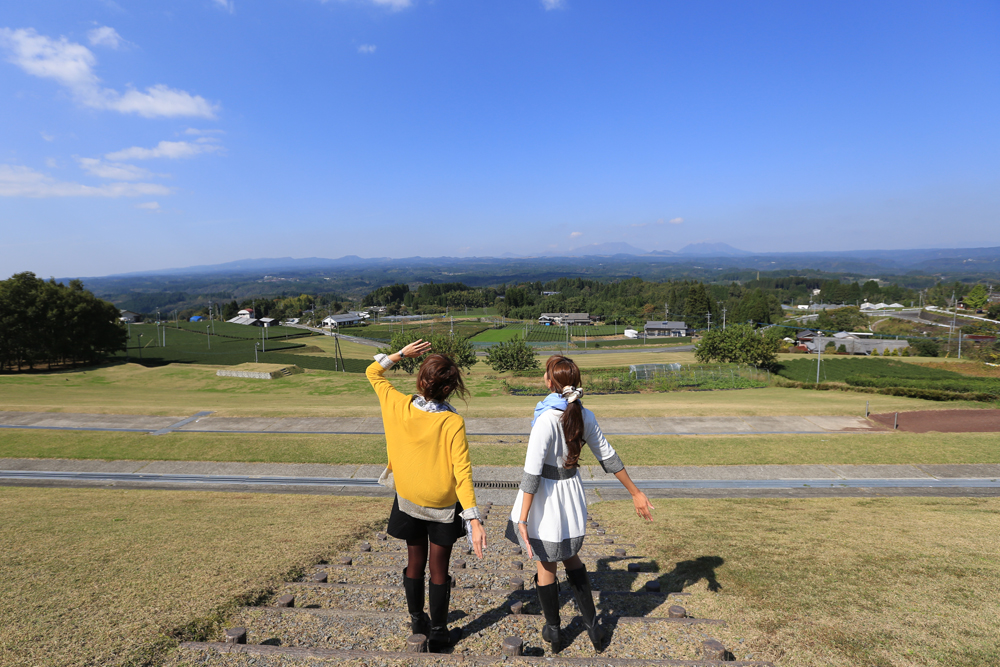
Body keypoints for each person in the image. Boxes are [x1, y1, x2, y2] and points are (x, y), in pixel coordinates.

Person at [506, 354, 654, 653]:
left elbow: (532, 474)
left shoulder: (546, 418)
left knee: (546, 564)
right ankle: (593, 628)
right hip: (571, 494)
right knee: (572, 559)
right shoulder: (585, 415)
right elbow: (608, 457)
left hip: (545, 499)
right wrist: (635, 492)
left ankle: (555, 631)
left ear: (550, 383)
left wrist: (522, 519)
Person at [366, 339, 487, 652]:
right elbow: (462, 474)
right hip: (443, 505)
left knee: (413, 561)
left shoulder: (398, 404)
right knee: (438, 569)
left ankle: (417, 619)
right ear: (449, 389)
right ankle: (438, 631)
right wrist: (473, 518)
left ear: (420, 381)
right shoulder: (452, 421)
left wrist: (400, 354)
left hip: (407, 498)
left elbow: (373, 373)